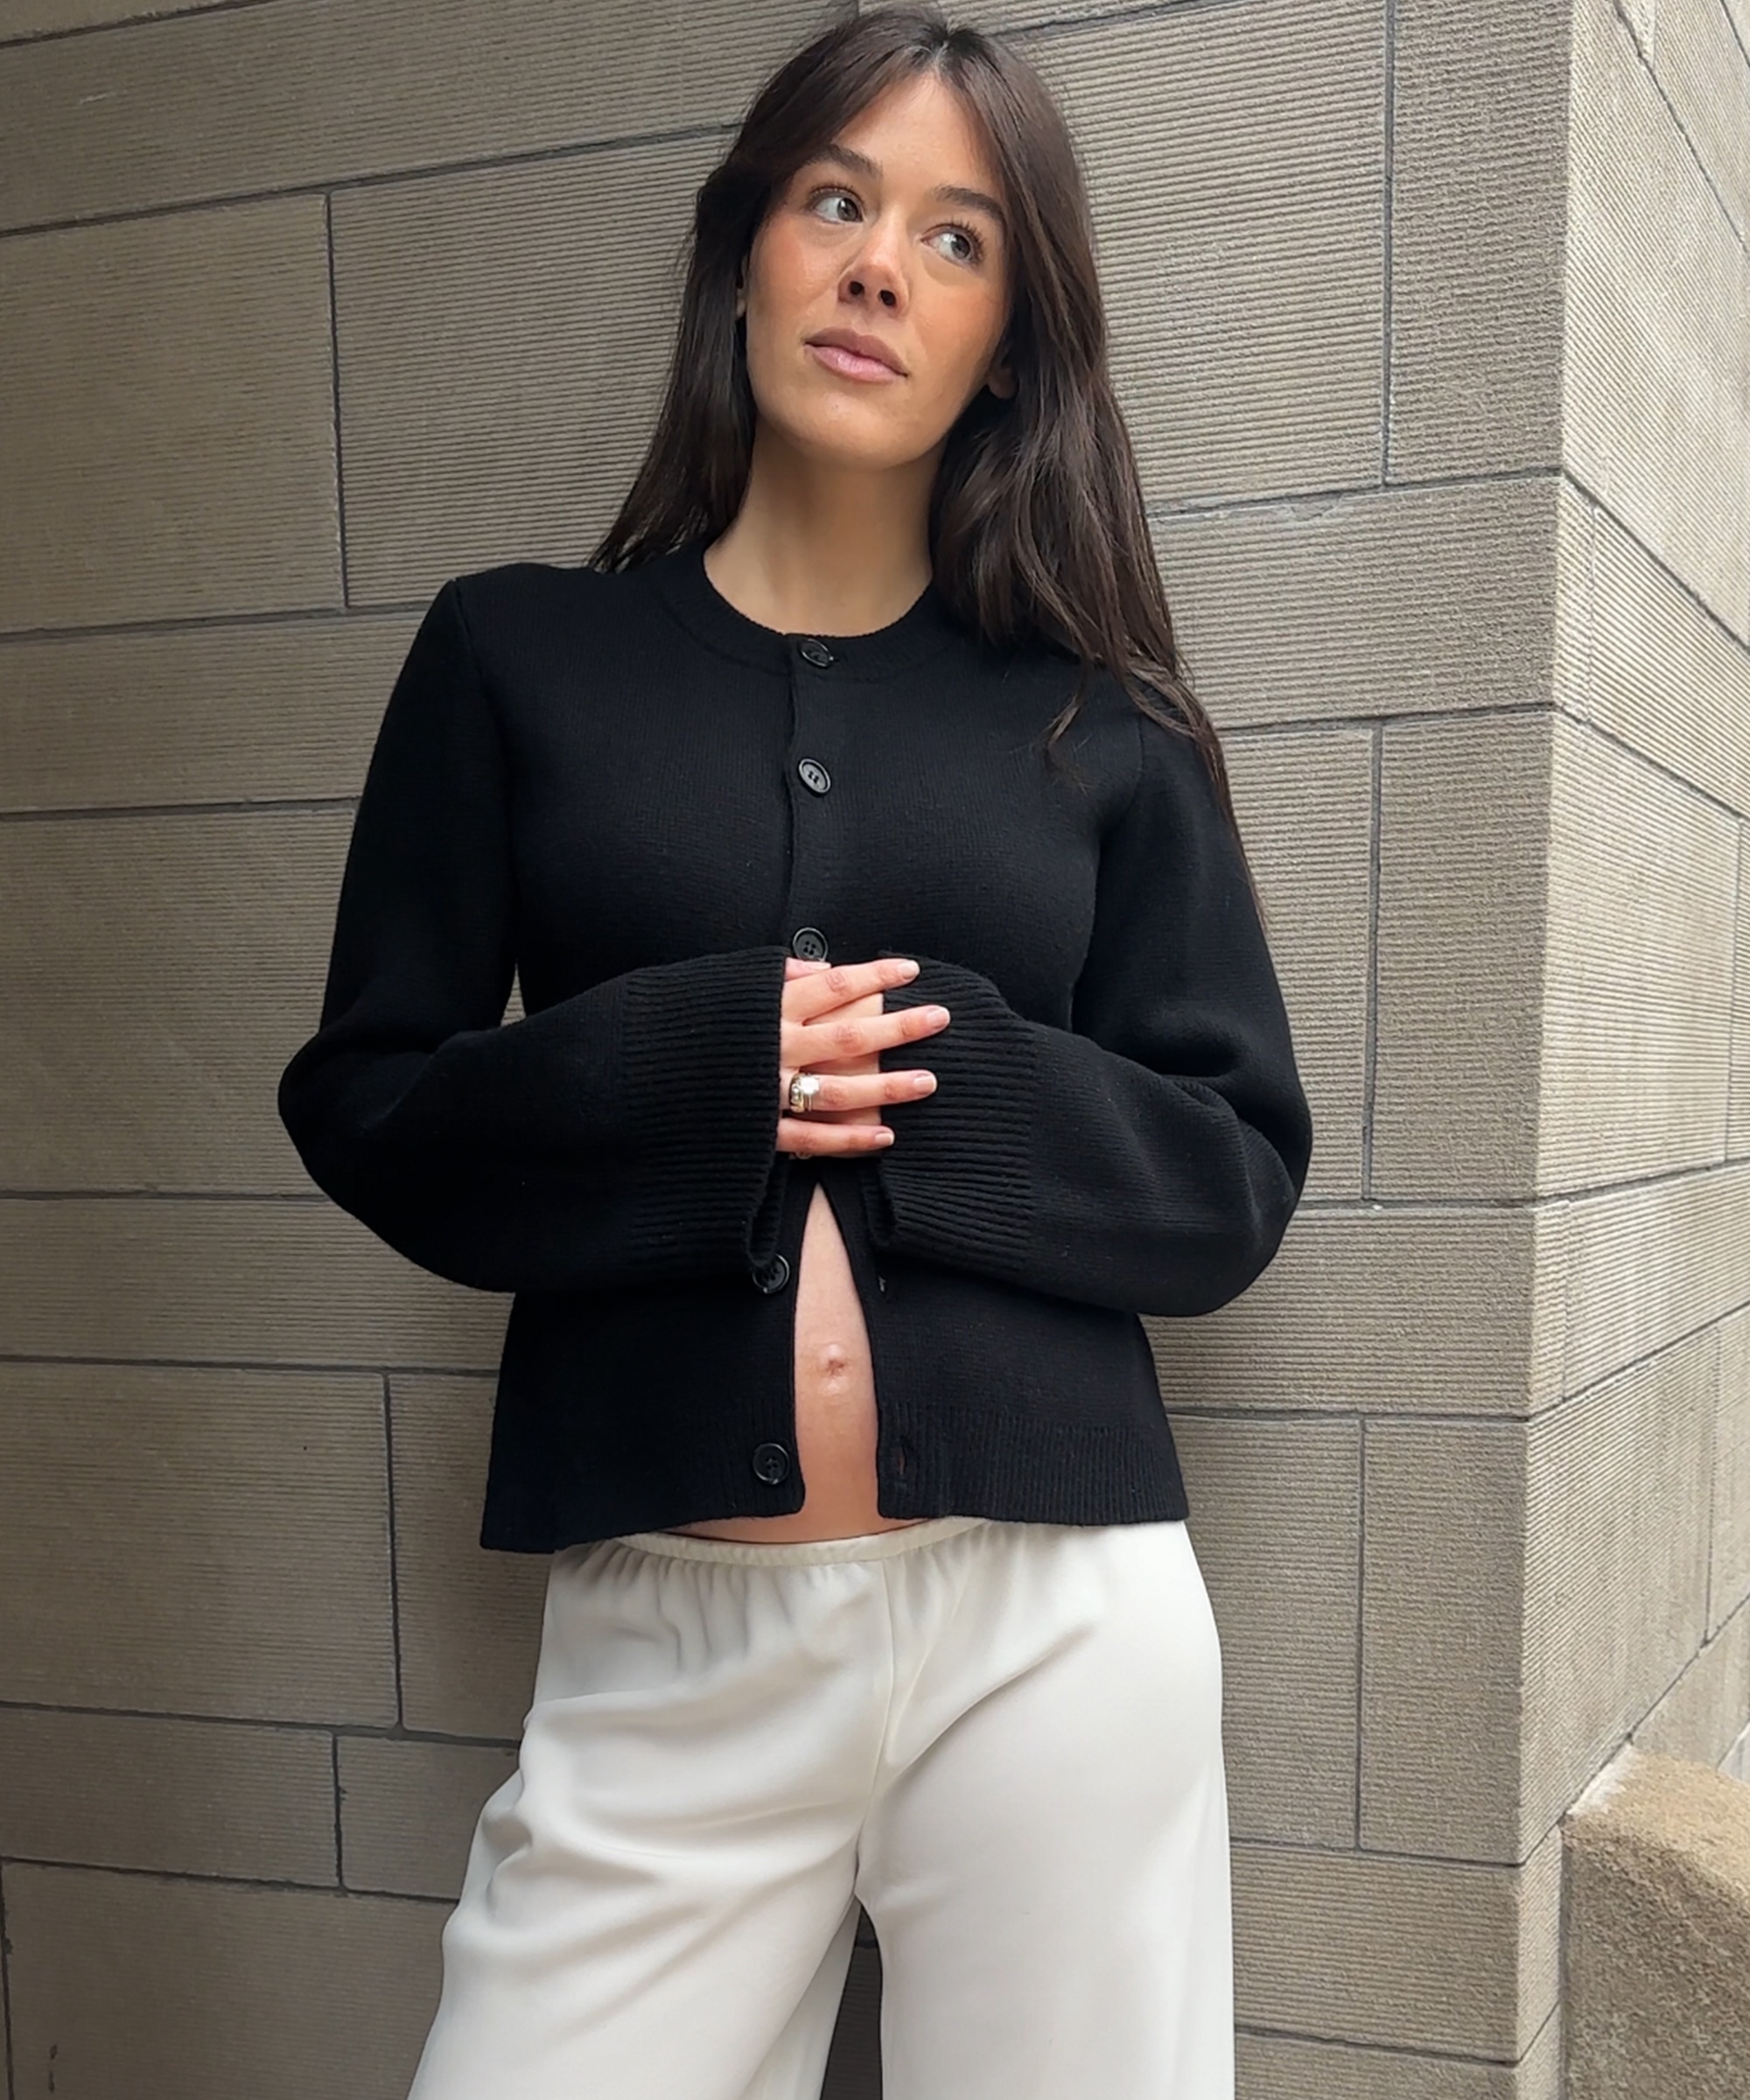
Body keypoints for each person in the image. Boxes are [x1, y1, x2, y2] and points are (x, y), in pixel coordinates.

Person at [276, 8, 1313, 2096]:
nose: (876, 269)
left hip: (1056, 1626)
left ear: (1006, 341)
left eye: (954, 238)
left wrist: (954, 1089)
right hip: (668, 1632)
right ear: (744, 244)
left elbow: (1232, 1174)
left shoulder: (1106, 722)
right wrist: (682, 1069)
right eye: (836, 200)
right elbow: (370, 1100)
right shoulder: (513, 656)